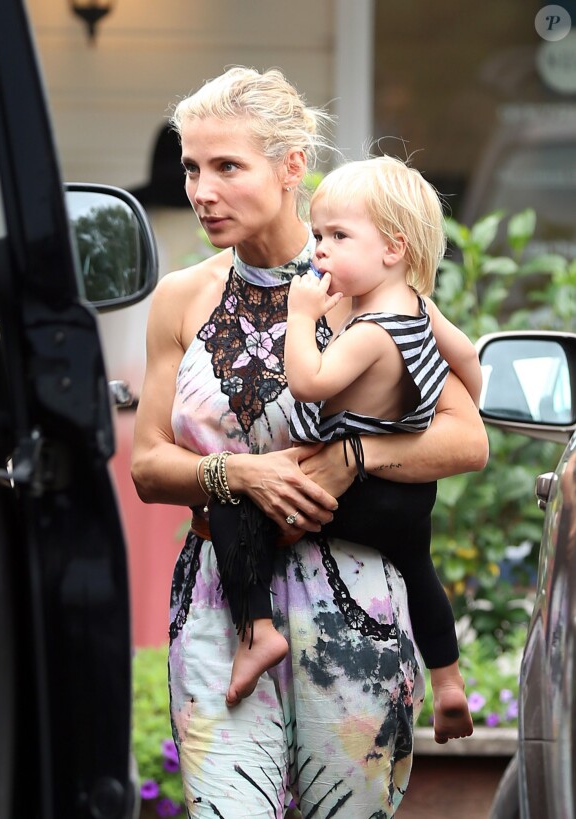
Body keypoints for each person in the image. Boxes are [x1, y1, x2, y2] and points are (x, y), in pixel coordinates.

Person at [131, 65, 489, 819]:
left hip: (356, 597)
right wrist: (239, 473)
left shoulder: (370, 280)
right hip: (225, 604)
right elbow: (149, 463)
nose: (201, 189)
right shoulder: (181, 297)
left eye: (227, 166)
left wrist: (355, 456)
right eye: (193, 167)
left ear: (293, 165)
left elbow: (466, 438)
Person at [208, 155, 480, 747]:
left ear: (393, 248)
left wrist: (301, 317)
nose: (319, 249)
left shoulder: (369, 332)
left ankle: (258, 633)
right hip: (408, 493)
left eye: (337, 236)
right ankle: (451, 683)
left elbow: (310, 383)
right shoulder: (418, 310)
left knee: (232, 499)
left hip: (356, 487)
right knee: (419, 569)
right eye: (318, 234)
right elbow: (471, 368)